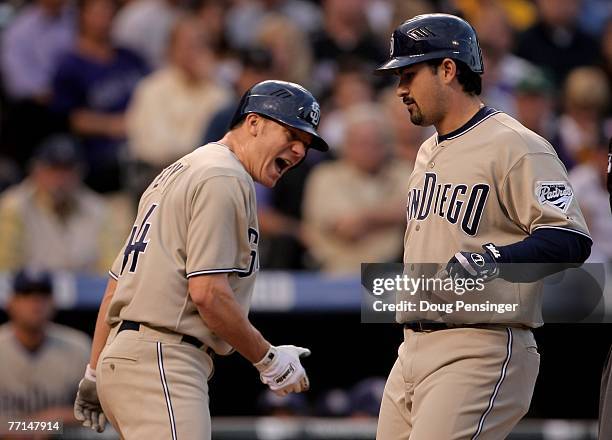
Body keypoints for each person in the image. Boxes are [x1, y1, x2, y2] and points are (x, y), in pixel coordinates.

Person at [374, 13, 592, 439]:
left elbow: (571, 237)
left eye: (409, 74)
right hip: (412, 348)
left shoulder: (516, 143)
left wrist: (499, 258)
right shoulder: (427, 151)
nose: (400, 88)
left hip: (481, 344)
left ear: (448, 69)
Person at [72, 80, 328, 438]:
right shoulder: (223, 175)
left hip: (129, 356)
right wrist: (268, 359)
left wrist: (95, 372)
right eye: (291, 134)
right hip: (162, 358)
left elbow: (115, 287)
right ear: (253, 123)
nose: (300, 151)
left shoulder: (178, 171)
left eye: (306, 143)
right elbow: (207, 293)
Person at [0, 135, 121, 273]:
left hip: (86, 292)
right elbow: (5, 273)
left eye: (68, 170)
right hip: (30, 291)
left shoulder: (98, 208)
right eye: (53, 169)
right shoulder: (13, 207)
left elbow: (111, 269)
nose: (60, 179)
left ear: (80, 173)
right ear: (36, 170)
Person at [0, 269, 90, 432]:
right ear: (10, 303)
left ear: (54, 303)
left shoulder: (78, 347)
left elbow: (95, 413)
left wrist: (55, 419)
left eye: (44, 295)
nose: (36, 302)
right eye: (26, 294)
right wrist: (37, 425)